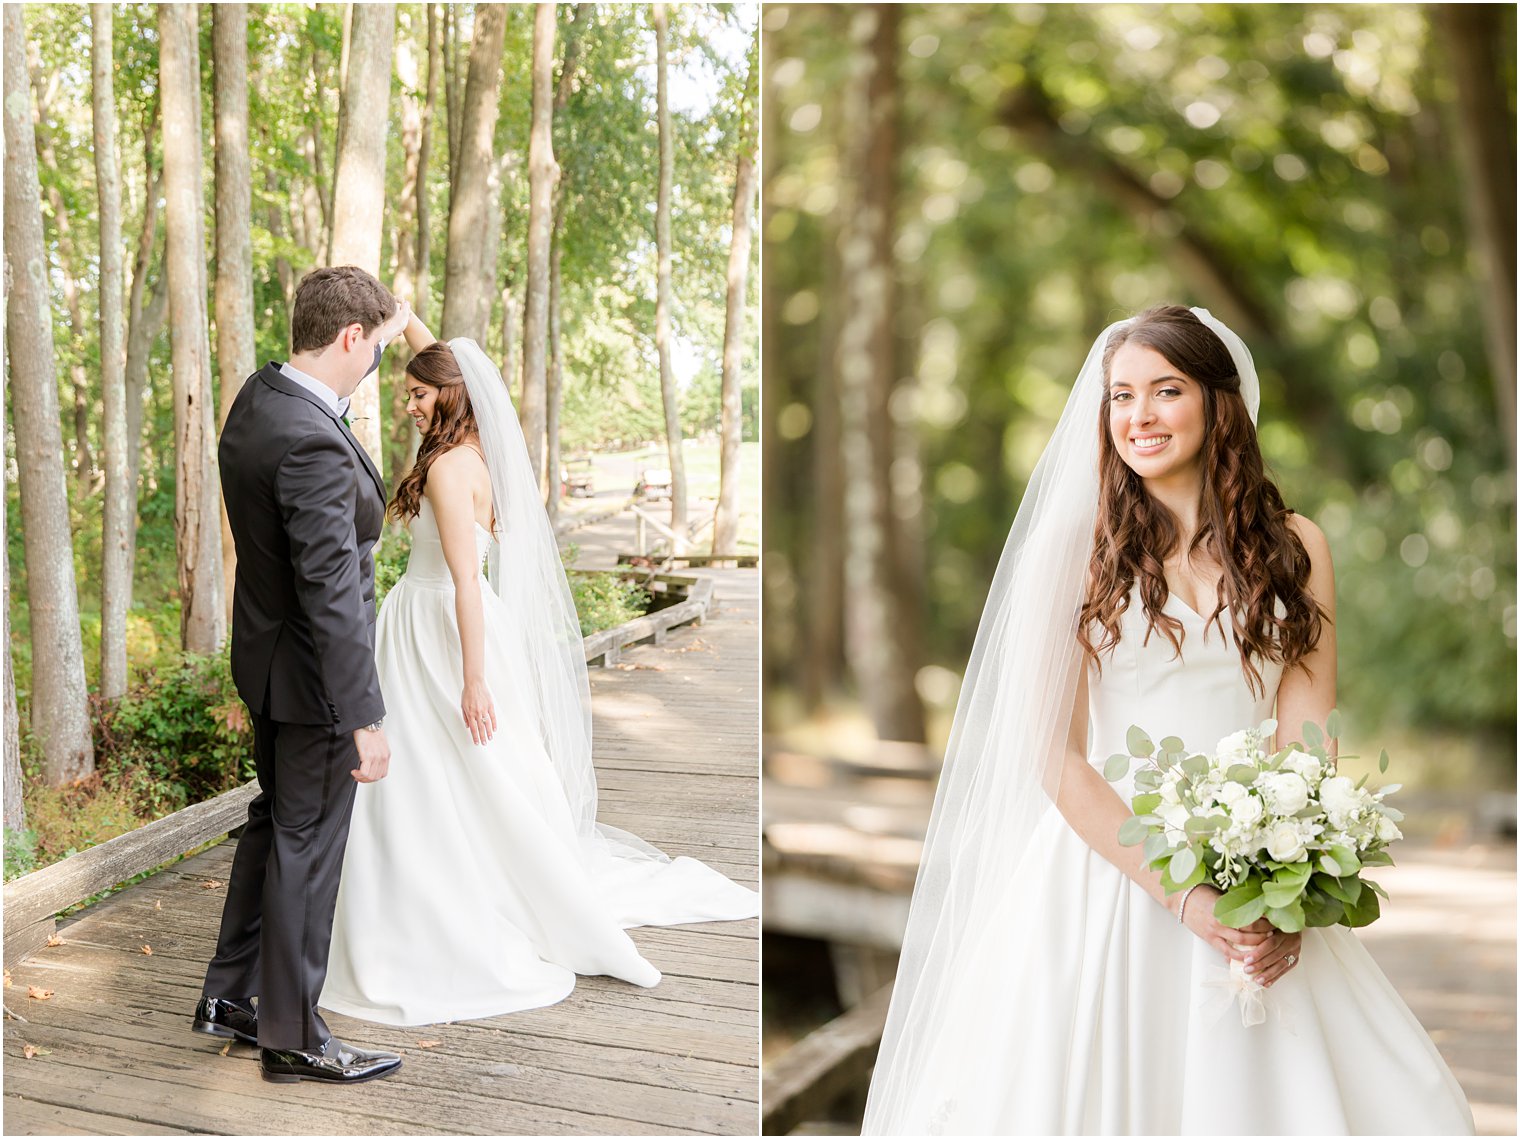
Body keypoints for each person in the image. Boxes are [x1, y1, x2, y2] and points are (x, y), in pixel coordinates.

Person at [861, 307, 1474, 1135]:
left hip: (1257, 865)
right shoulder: (1075, 551)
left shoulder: (1297, 547)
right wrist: (1185, 898)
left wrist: (1292, 892)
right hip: (1111, 876)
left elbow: (1305, 736)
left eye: (1166, 390)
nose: (1138, 416)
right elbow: (1054, 755)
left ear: (1220, 403)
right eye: (1121, 396)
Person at [319, 310, 758, 1027]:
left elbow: (463, 579)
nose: (410, 403)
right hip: (431, 623)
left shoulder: (449, 471)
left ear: (451, 393)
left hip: (442, 629)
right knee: (456, 772)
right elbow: (439, 358)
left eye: (419, 394)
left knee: (451, 768)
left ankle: (456, 901)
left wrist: (472, 678)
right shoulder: (473, 448)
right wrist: (400, 321)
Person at [196, 266, 413, 1084]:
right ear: (349, 337)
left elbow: (291, 565)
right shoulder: (314, 443)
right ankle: (291, 1033)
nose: (374, 367)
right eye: (372, 350)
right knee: (308, 847)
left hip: (267, 664)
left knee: (273, 827)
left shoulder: (262, 400)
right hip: (316, 679)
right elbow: (331, 593)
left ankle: (232, 995)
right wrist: (364, 715)